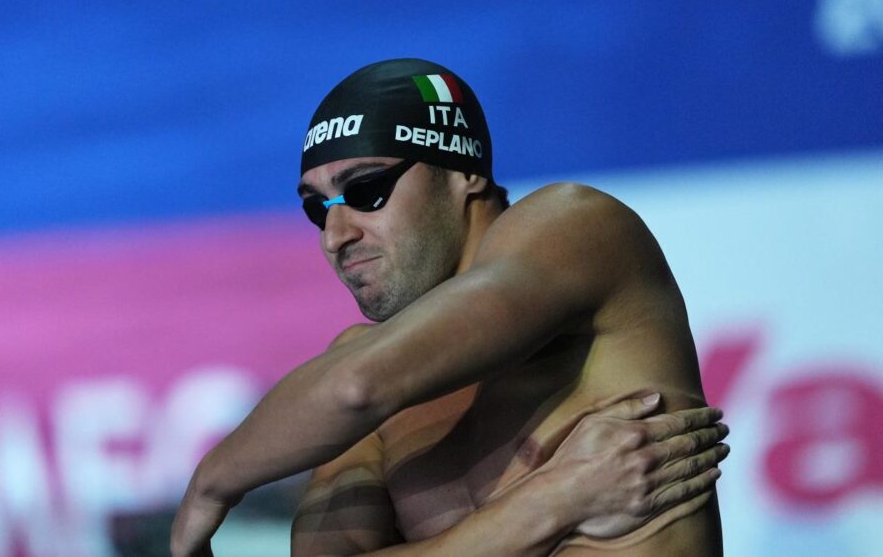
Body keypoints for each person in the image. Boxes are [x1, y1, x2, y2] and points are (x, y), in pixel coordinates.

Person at [171, 58, 728, 556]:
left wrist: (211, 481)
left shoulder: (579, 229)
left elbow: (358, 387)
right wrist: (547, 503)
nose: (335, 234)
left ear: (463, 173)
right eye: (318, 210)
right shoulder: (351, 382)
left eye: (366, 191)